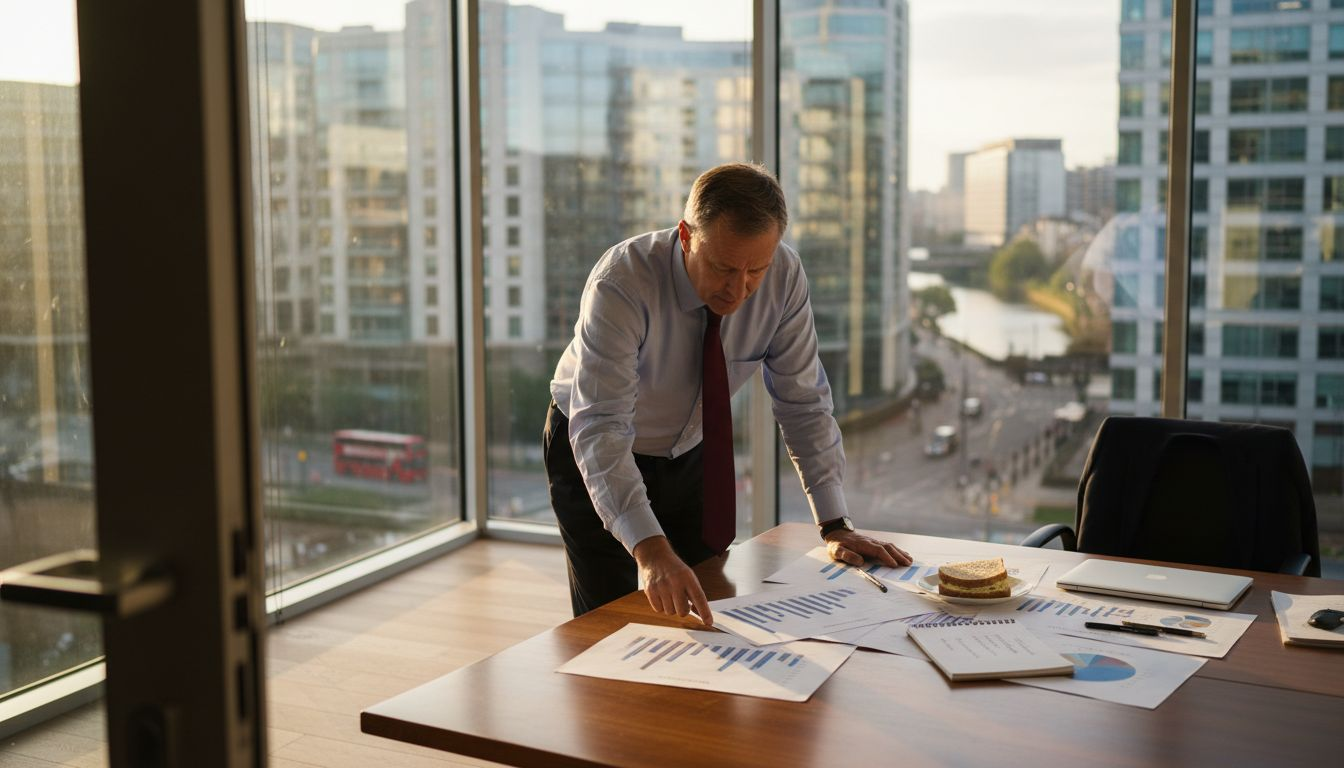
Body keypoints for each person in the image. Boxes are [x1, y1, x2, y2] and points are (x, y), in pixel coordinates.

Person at [545, 162, 912, 625]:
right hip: (593, 448)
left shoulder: (784, 276)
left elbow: (804, 402)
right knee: (612, 624)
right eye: (722, 267)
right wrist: (651, 551)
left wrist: (835, 523)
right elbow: (602, 426)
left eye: (755, 269)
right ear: (685, 235)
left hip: (691, 450)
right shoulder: (622, 281)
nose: (738, 290)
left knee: (711, 608)